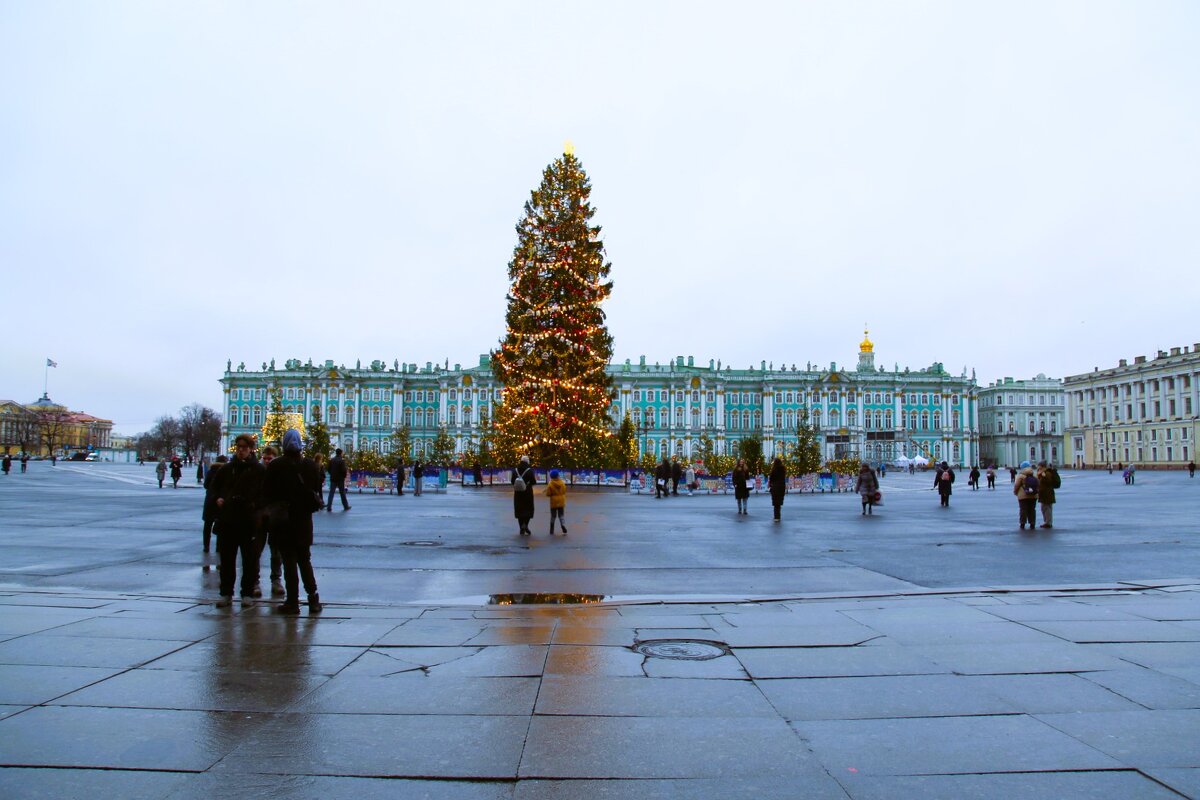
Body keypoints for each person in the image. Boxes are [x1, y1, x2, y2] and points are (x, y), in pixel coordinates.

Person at [263, 429, 324, 614]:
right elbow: (316, 488)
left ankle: (292, 602)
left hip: (283, 521)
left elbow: (267, 492)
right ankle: (313, 599)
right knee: (305, 561)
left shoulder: (275, 466)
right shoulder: (310, 466)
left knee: (289, 562)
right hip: (303, 521)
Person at [211, 434, 265, 607]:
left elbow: (265, 494)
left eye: (244, 447)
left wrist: (255, 506)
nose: (241, 450)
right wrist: (218, 499)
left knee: (249, 560)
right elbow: (213, 490)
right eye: (238, 447)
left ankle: (246, 593)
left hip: (248, 521)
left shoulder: (259, 470)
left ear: (251, 449)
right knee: (227, 560)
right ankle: (226, 593)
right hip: (228, 520)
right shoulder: (226, 469)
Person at [257, 446, 281, 598]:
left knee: (276, 552)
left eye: (269, 458)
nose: (266, 461)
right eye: (264, 458)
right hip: (259, 517)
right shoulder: (256, 472)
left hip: (274, 517)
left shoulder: (279, 474)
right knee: (255, 551)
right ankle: (254, 582)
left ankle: (276, 580)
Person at [201, 455, 228, 556]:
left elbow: (206, 485)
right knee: (220, 524)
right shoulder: (226, 471)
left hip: (210, 499)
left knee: (207, 524)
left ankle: (206, 545)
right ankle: (218, 546)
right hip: (221, 499)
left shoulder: (211, 471)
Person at [512, 455, 536, 536]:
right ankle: (525, 525)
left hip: (518, 493)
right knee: (528, 509)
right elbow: (533, 482)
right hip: (527, 493)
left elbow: (512, 482)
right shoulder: (529, 470)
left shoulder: (515, 470)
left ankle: (521, 527)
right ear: (527, 461)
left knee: (519, 510)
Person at [1014, 460, 1039, 530]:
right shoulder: (1034, 474)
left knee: (1023, 509)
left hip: (1023, 495)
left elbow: (1017, 485)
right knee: (1032, 509)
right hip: (1033, 495)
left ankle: (1022, 523)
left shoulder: (1020, 475)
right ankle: (1032, 523)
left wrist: (1015, 492)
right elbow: (1038, 484)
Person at [1036, 460, 1060, 529]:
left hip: (1047, 494)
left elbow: (1048, 482)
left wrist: (1043, 476)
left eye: (1039, 466)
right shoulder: (1044, 473)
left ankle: (1048, 523)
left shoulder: (1046, 473)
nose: (1038, 467)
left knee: (1046, 508)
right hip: (1045, 493)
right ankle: (1047, 522)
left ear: (1043, 467)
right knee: (1045, 508)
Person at [544, 468, 567, 535]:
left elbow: (548, 494)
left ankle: (552, 528)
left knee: (553, 516)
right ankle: (563, 525)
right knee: (561, 515)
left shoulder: (550, 484)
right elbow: (564, 491)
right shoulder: (562, 483)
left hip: (553, 502)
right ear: (558, 475)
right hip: (561, 501)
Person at [768, 456, 786, 522]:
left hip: (775, 487)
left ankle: (776, 517)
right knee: (779, 502)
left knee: (775, 503)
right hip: (781, 487)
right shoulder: (783, 470)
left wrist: (770, 485)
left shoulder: (773, 470)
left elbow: (771, 479)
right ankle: (778, 516)